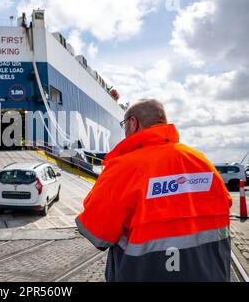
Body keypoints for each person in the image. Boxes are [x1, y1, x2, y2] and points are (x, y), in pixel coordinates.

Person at [76, 99, 232, 281]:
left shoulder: (123, 168)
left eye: (124, 124)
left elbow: (96, 233)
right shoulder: (201, 162)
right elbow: (225, 204)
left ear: (133, 123)